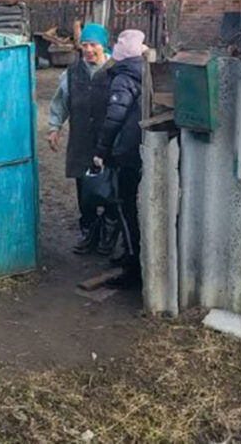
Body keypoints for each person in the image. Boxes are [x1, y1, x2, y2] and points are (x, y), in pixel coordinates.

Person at [46, 23, 113, 254]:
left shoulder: (115, 69)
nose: (88, 50)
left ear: (103, 45)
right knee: (84, 190)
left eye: (93, 44)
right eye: (84, 45)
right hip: (81, 140)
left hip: (108, 142)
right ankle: (89, 233)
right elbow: (60, 102)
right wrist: (54, 128)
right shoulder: (72, 73)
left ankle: (109, 235)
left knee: (110, 189)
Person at [93, 29, 148, 290]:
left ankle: (133, 266)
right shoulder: (146, 72)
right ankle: (138, 261)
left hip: (126, 154)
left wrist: (101, 152)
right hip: (143, 151)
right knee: (140, 209)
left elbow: (114, 118)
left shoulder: (124, 78)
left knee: (127, 209)